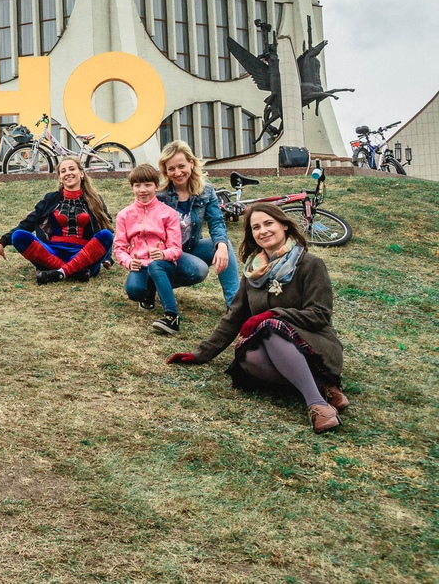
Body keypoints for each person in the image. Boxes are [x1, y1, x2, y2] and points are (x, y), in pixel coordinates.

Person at [168, 203, 347, 434]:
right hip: (272, 344)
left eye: (268, 224)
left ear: (284, 225)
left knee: (269, 327)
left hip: (313, 344)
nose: (263, 231)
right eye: (256, 227)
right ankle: (324, 387)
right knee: (249, 356)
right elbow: (234, 316)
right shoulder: (253, 271)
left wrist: (274, 314)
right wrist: (201, 353)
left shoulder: (311, 265)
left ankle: (317, 405)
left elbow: (320, 314)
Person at [0, 156, 113, 284]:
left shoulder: (95, 200)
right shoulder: (51, 199)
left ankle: (59, 272)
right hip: (52, 252)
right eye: (63, 171)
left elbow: (106, 229)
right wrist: (1, 242)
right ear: (60, 178)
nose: (68, 173)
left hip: (83, 253)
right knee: (19, 236)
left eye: (72, 169)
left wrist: (108, 257)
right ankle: (72, 272)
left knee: (106, 235)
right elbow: (27, 224)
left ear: (81, 173)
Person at [157, 140, 240, 307]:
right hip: (165, 255)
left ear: (192, 164)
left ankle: (235, 306)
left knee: (224, 244)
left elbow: (216, 222)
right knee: (199, 269)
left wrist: (221, 245)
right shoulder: (160, 195)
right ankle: (156, 283)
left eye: (181, 166)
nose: (177, 172)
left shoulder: (206, 191)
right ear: (165, 171)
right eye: (171, 169)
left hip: (188, 248)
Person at [114, 163, 188, 334]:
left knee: (156, 265)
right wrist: (128, 261)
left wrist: (163, 253)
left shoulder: (168, 213)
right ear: (132, 187)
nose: (143, 190)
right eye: (138, 185)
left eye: (147, 185)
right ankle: (148, 295)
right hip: (140, 264)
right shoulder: (124, 215)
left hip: (163, 264)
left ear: (156, 186)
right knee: (134, 291)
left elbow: (176, 249)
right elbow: (119, 248)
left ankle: (172, 316)